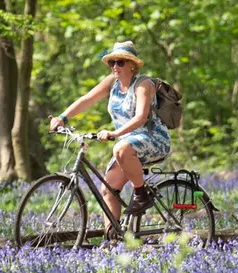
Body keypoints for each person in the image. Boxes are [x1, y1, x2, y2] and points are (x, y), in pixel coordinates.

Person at [48, 40, 171, 237]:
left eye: (120, 62)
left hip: (152, 138)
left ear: (132, 64)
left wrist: (115, 134)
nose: (115, 66)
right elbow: (87, 99)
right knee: (108, 190)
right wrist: (62, 117)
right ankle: (113, 239)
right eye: (112, 62)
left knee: (120, 148)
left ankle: (141, 194)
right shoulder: (111, 83)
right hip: (127, 142)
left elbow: (140, 118)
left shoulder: (143, 84)